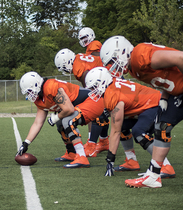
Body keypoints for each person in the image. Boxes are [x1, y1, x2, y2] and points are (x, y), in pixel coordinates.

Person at [100, 35, 181, 188]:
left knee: (146, 129)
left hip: (174, 95)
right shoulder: (133, 70)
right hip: (174, 94)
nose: (112, 67)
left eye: (112, 62)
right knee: (162, 127)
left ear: (122, 52)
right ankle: (154, 176)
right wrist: (165, 96)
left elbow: (180, 58)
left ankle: (159, 171)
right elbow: (167, 77)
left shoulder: (139, 55)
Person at [15, 71, 105, 168]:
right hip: (80, 104)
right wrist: (26, 143)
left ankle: (82, 157)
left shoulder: (50, 87)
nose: (29, 94)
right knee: (60, 122)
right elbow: (37, 123)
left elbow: (69, 109)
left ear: (36, 84)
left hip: (93, 101)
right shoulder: (40, 100)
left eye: (29, 91)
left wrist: (55, 117)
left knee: (67, 121)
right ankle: (72, 153)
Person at [54, 48, 110, 159]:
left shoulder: (77, 67)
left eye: (64, 67)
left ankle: (92, 144)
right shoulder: (79, 57)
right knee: (101, 110)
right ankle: (104, 141)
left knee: (97, 109)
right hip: (107, 75)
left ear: (68, 62)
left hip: (108, 78)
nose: (66, 70)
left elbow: (90, 88)